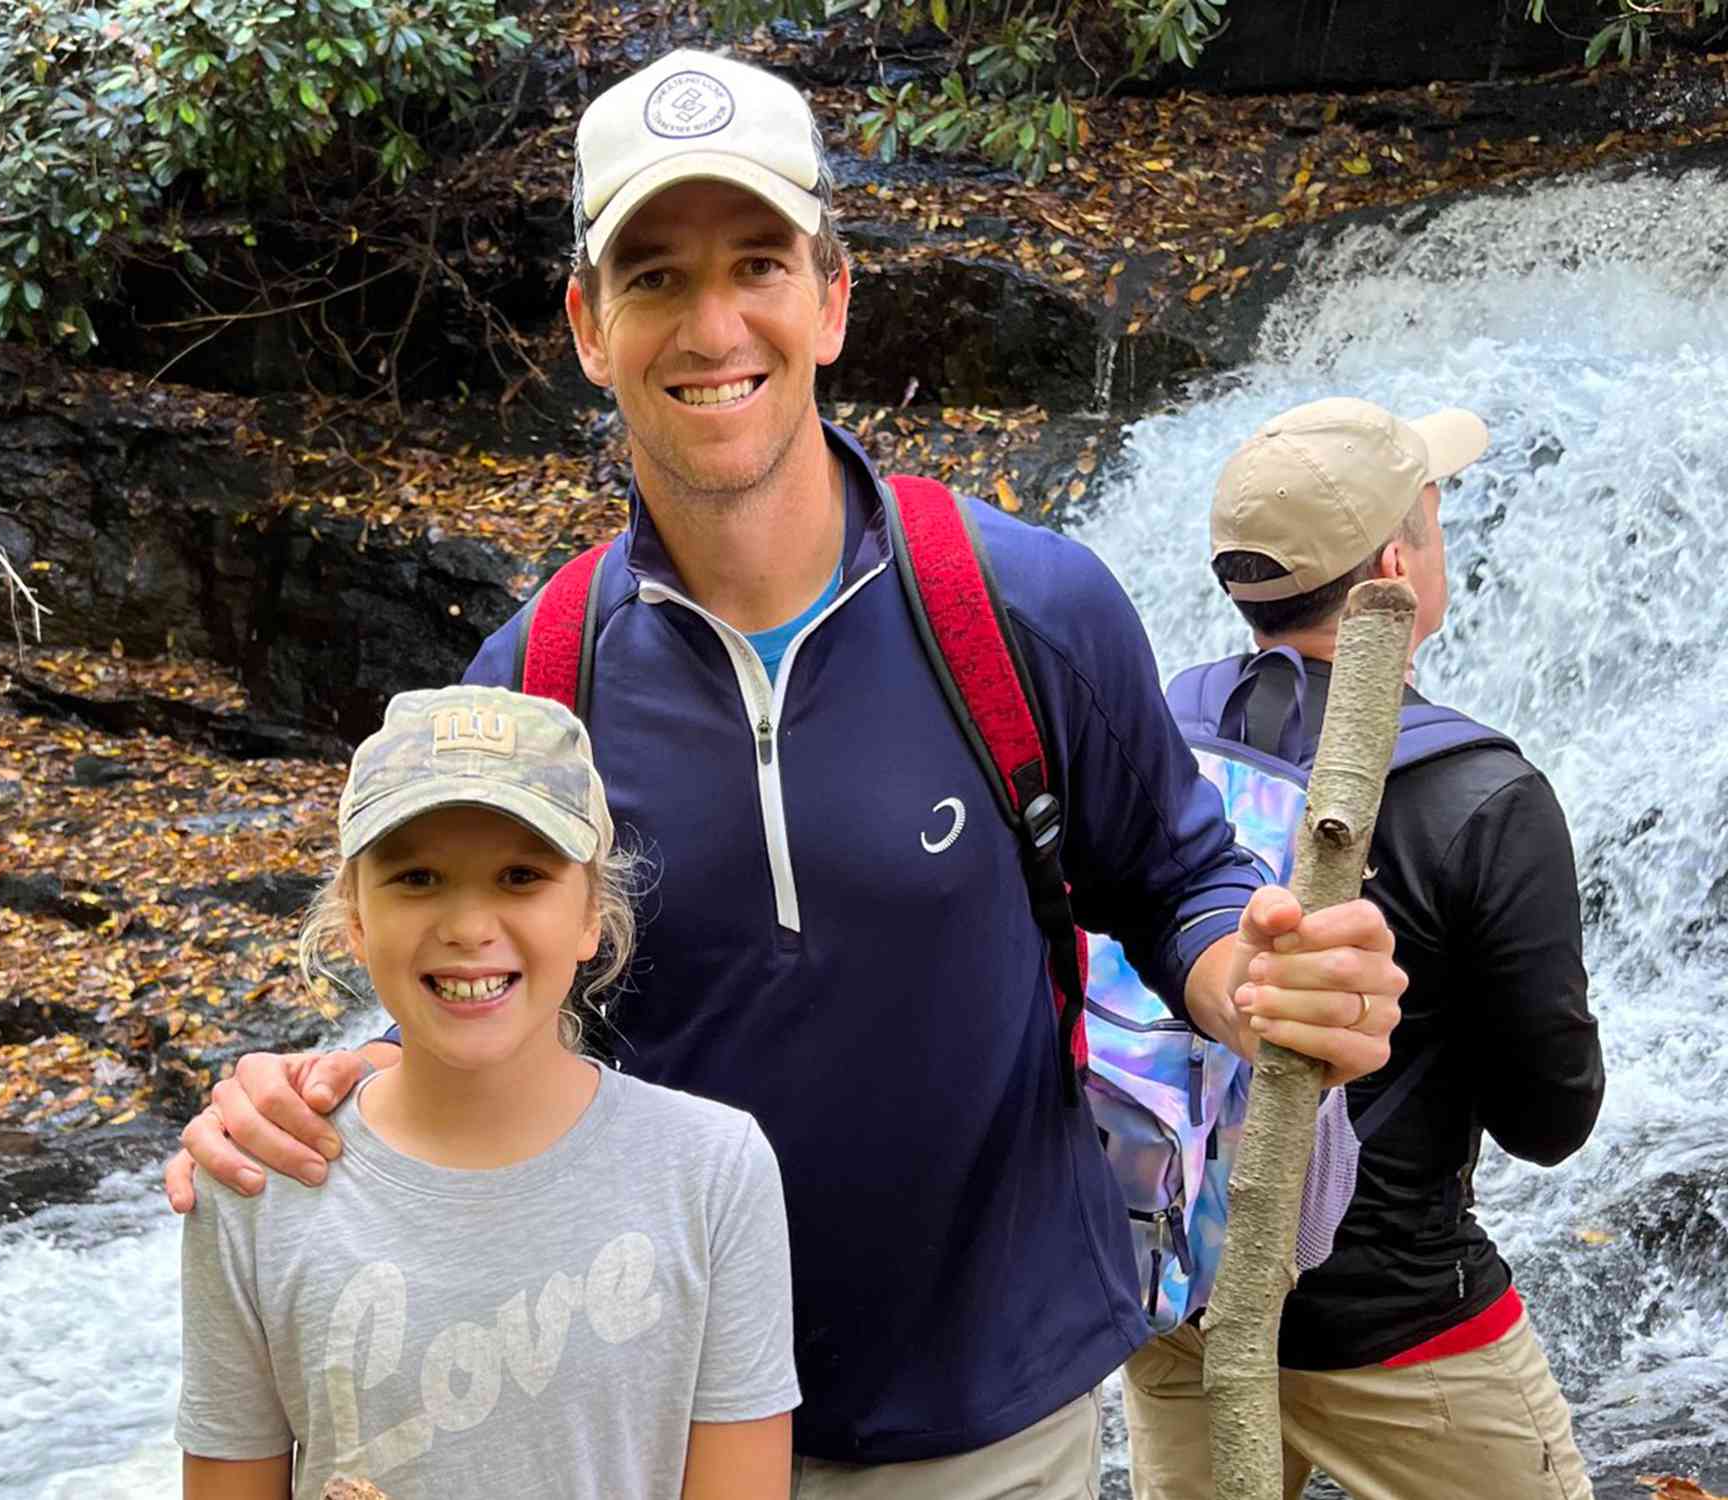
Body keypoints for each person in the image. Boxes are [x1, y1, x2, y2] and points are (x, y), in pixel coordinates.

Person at [168, 50, 1408, 1495]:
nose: (712, 325)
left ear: (830, 297)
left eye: (758, 262)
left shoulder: (1027, 613)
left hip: (992, 1412)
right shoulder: (535, 681)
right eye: (652, 277)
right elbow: (486, 995)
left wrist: (1259, 984)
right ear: (586, 323)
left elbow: (1173, 876)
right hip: (646, 1414)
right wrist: (321, 1092)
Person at [1120, 397, 1604, 1498]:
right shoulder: (1483, 798)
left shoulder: (1152, 733)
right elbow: (1549, 1119)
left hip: (1178, 1290)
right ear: (1395, 563)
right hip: (1399, 1332)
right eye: (1432, 516)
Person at [178, 685, 799, 1500]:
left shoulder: (713, 1171)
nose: (469, 925)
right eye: (418, 876)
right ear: (355, 921)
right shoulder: (260, 1182)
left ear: (592, 919)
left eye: (519, 876)